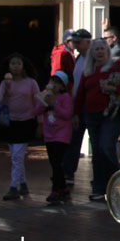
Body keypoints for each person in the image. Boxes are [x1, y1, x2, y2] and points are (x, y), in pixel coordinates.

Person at [73, 38, 120, 201]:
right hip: (92, 115)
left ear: (107, 50)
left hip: (111, 113)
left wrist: (115, 88)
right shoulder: (88, 69)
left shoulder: (117, 65)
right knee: (97, 152)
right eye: (96, 49)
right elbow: (80, 94)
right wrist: (76, 114)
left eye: (101, 49)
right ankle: (99, 188)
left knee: (106, 146)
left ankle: (118, 183)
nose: (99, 52)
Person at [0, 53, 40, 200]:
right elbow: (0, 102)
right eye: (13, 63)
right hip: (10, 122)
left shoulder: (31, 83)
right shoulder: (4, 83)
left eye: (18, 63)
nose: (15, 66)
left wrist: (40, 122)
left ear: (23, 66)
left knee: (17, 156)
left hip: (26, 121)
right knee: (16, 156)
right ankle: (23, 184)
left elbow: (38, 102)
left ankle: (14, 187)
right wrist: (7, 88)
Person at [36, 71, 72, 204]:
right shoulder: (47, 95)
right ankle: (63, 188)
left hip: (61, 134)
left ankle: (55, 189)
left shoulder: (65, 97)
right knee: (54, 162)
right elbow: (37, 111)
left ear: (62, 86)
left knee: (57, 161)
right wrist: (44, 100)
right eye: (52, 82)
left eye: (57, 83)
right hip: (49, 134)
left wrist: (54, 104)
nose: (54, 85)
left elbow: (67, 114)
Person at [63, 28, 92, 187]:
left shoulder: (95, 59)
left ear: (88, 42)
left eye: (78, 42)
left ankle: (102, 178)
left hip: (92, 106)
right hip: (78, 105)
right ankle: (68, 172)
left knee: (97, 143)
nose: (75, 45)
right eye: (74, 42)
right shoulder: (79, 58)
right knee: (73, 139)